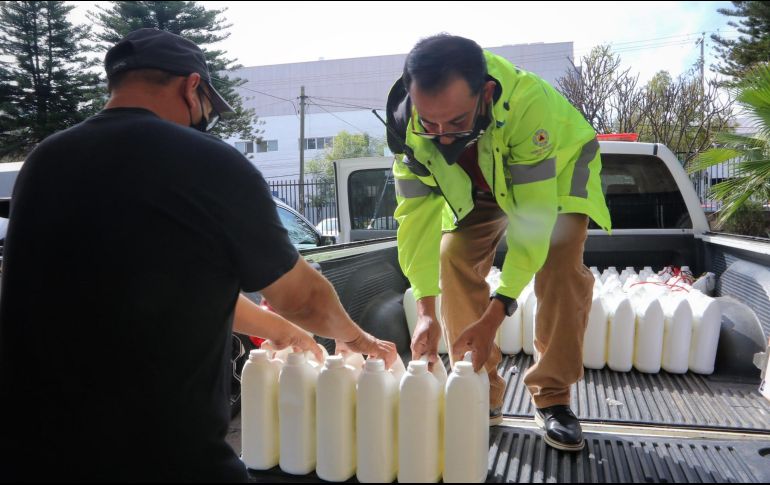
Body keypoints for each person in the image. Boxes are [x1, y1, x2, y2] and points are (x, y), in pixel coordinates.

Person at [0, 28, 397, 482]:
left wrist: (281, 331)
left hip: (34, 452)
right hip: (159, 457)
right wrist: (355, 338)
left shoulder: (44, 162)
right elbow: (302, 296)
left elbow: (171, 283)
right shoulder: (206, 162)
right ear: (193, 88)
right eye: (209, 105)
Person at [383, 34, 611, 451]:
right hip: (480, 187)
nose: (442, 137)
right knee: (452, 255)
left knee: (559, 263)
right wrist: (425, 312)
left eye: (455, 123)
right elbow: (414, 222)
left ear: (485, 94)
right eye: (429, 123)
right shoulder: (406, 129)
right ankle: (480, 388)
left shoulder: (528, 107)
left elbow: (533, 221)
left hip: (553, 173)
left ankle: (553, 397)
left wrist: (494, 316)